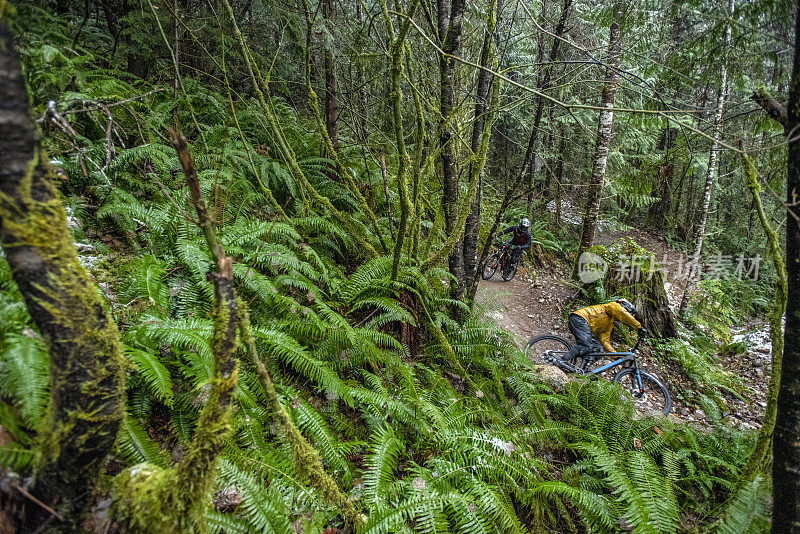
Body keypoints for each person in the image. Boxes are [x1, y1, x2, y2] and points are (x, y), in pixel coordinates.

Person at [566, 298, 648, 361]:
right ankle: (562, 360)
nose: (630, 315)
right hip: (580, 319)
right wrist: (639, 327)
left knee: (599, 349)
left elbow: (604, 340)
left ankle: (584, 370)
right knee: (587, 346)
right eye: (630, 314)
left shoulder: (609, 323)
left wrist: (616, 355)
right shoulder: (613, 306)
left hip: (582, 323)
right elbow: (622, 313)